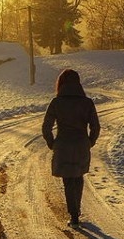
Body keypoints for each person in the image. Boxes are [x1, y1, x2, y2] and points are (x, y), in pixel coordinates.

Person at [42, 68, 101, 227]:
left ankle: (74, 215)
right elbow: (95, 126)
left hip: (63, 145)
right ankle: (76, 210)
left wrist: (52, 143)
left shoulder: (56, 102)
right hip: (81, 144)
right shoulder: (87, 102)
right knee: (78, 176)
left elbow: (46, 127)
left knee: (68, 180)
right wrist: (90, 142)